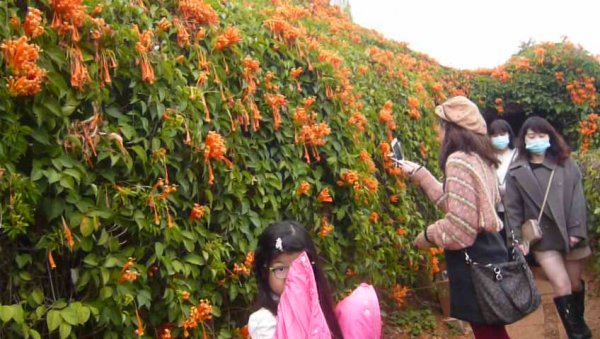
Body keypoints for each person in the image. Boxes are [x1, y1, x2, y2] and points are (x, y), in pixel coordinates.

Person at [395, 96, 510, 339]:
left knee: (488, 331)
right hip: (490, 249)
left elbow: (460, 228)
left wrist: (428, 235)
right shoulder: (479, 157)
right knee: (492, 328)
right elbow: (460, 205)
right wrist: (420, 174)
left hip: (474, 258)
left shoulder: (458, 160)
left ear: (450, 128)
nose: (437, 131)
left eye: (440, 125)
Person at [504, 116, 592, 338]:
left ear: (550, 138)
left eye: (542, 135)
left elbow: (577, 199)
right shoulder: (516, 172)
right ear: (523, 140)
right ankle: (578, 334)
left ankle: (578, 322)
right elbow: (512, 209)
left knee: (574, 285)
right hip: (543, 239)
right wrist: (517, 239)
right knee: (561, 286)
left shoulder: (566, 164)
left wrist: (575, 231)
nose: (536, 140)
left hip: (572, 234)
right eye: (531, 136)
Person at [248, 220, 381, 339]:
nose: (291, 278)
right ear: (265, 272)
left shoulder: (319, 308)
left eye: (298, 269)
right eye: (281, 269)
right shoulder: (264, 321)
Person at [488, 119, 518, 244]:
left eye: (502, 134)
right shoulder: (487, 158)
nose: (499, 138)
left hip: (514, 210)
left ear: (509, 135)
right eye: (495, 135)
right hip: (494, 210)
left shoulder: (517, 155)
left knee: (515, 245)